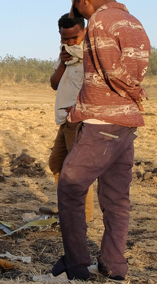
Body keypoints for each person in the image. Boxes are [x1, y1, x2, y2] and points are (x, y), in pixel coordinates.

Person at [52, 0, 150, 281]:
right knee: (116, 198)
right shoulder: (132, 19)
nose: (79, 13)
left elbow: (113, 70)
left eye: (77, 7)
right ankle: (113, 265)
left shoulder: (99, 21)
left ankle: (78, 266)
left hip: (101, 122)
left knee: (69, 186)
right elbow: (134, 67)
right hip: (126, 124)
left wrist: (132, 90)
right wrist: (134, 94)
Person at [41, 13, 94, 222]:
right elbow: (54, 84)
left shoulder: (91, 53)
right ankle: (66, 206)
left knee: (78, 171)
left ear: (85, 31)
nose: (71, 42)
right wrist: (63, 63)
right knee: (57, 163)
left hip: (80, 117)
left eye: (75, 37)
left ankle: (85, 215)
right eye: (65, 38)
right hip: (64, 118)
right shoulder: (65, 53)